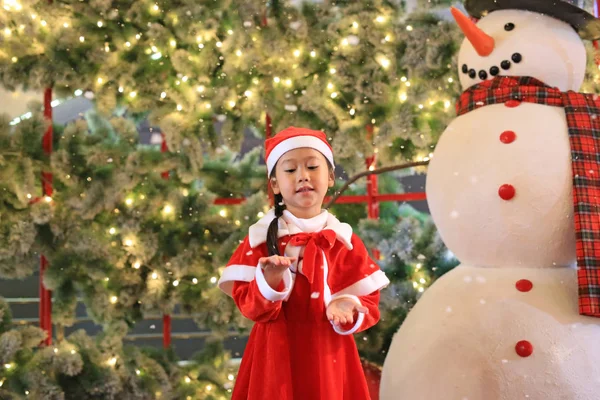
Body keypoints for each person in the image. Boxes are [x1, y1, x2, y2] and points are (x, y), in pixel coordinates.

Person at [218, 126, 390, 399]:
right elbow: (249, 306)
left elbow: (368, 303)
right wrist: (269, 282)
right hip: (276, 352)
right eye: (289, 170)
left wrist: (348, 307)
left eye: (312, 166)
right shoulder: (261, 239)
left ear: (331, 177)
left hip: (329, 352)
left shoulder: (343, 241)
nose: (303, 176)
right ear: (274, 184)